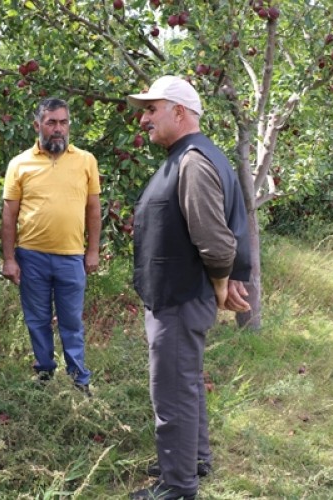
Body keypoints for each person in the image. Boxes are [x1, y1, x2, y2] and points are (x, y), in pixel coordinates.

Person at [126, 75, 252, 500]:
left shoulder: (193, 161)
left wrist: (220, 284)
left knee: (173, 393)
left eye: (151, 109)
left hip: (180, 297)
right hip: (178, 294)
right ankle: (191, 459)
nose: (144, 118)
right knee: (187, 383)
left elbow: (216, 243)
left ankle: (178, 486)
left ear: (178, 112)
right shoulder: (191, 156)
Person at [0, 98, 101, 395]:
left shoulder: (86, 161)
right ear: (37, 125)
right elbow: (9, 214)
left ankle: (79, 378)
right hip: (31, 257)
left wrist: (92, 251)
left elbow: (94, 210)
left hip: (72, 257)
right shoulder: (19, 164)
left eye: (63, 122)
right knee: (37, 319)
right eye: (51, 122)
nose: (58, 129)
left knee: (71, 321)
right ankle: (44, 372)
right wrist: (9, 258)